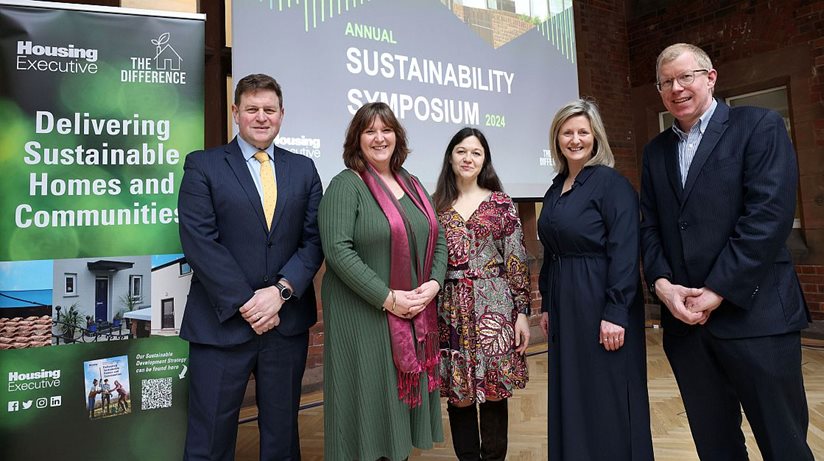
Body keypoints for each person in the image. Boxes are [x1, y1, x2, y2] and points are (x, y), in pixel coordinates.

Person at [640, 43, 814, 460]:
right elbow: (649, 228)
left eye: (686, 77)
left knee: (784, 445)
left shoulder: (759, 127)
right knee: (716, 448)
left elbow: (767, 217)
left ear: (711, 77)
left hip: (757, 319)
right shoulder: (654, 152)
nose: (676, 88)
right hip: (687, 329)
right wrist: (663, 286)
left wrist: (717, 289)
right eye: (666, 82)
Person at [178, 73, 324, 460]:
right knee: (209, 440)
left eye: (269, 110)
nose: (261, 117)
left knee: (281, 439)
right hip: (220, 324)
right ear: (235, 113)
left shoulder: (304, 170)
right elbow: (199, 242)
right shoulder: (203, 166)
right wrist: (250, 303)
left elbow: (313, 242)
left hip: (285, 325)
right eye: (252, 109)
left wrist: (279, 293)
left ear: (282, 115)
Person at [318, 102, 446, 460]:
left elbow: (439, 238)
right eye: (369, 131)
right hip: (365, 316)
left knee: (397, 412)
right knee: (371, 408)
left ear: (397, 136)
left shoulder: (414, 183)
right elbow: (338, 251)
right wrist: (389, 298)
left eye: (386, 130)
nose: (379, 138)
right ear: (356, 140)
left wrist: (433, 285)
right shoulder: (346, 185)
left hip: (413, 313)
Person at [538, 99, 654, 460]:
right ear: (557, 139)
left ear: (595, 137)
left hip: (601, 300)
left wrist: (616, 311)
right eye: (567, 132)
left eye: (582, 132)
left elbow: (625, 249)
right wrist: (546, 303)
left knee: (607, 393)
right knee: (574, 391)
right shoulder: (557, 187)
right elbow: (551, 251)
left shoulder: (610, 183)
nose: (575, 139)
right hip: (564, 304)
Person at [431, 127, 530, 460]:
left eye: (476, 152)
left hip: (496, 307)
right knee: (459, 394)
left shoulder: (500, 203)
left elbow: (516, 258)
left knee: (493, 392)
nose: (468, 158)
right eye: (461, 151)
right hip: (451, 309)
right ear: (450, 156)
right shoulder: (436, 206)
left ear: (485, 159)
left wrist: (522, 314)